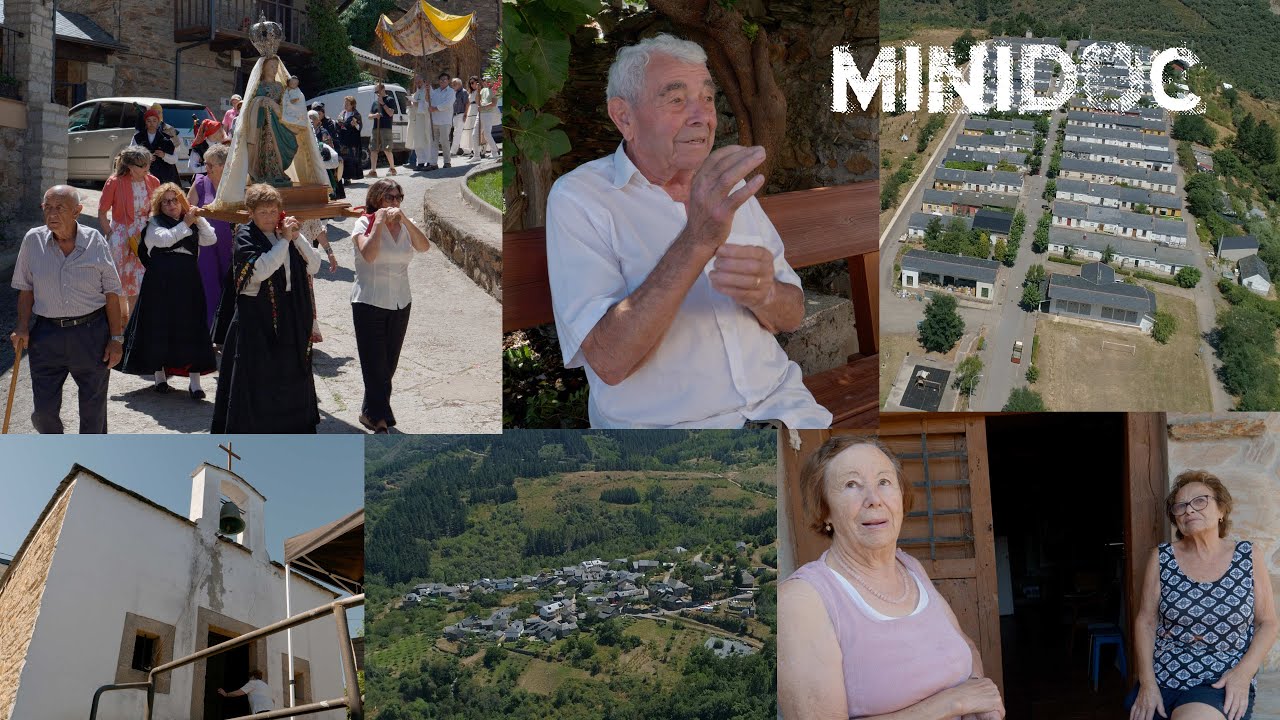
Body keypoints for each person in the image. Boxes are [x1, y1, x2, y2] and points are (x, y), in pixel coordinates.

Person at [544, 34, 831, 428]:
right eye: (677, 100)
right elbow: (610, 361)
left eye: (708, 99)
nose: (702, 116)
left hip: (783, 408)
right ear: (624, 117)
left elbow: (792, 313)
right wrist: (697, 240)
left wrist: (765, 293)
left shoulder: (728, 185)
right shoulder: (581, 199)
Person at [778, 436, 1006, 720]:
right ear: (824, 510)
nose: (874, 499)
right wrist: (952, 704)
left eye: (884, 482)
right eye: (851, 485)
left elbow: (964, 646)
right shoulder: (802, 600)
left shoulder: (910, 568)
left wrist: (979, 698)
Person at [1129, 471, 1278, 720]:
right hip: (1165, 677)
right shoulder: (1162, 557)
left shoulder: (1247, 555)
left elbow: (1268, 623)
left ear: (1221, 510)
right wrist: (1147, 683)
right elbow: (1146, 621)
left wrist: (1244, 674)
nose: (1189, 510)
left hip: (1220, 679)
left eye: (1200, 501)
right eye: (1180, 506)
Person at [10, 186, 125, 434]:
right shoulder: (33, 240)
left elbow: (111, 293)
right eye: (47, 208)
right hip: (47, 335)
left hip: (91, 334)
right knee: (43, 413)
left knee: (93, 412)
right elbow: (26, 289)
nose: (52, 214)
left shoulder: (95, 241)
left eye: (60, 208)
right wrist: (22, 326)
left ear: (77, 211)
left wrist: (116, 339)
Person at [211, 183, 322, 434]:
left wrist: (297, 238)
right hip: (257, 320)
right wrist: (284, 242)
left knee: (291, 375)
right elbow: (261, 270)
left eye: (273, 211)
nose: (270, 217)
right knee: (258, 379)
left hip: (290, 316)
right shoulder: (245, 236)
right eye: (263, 212)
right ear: (251, 213)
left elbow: (314, 265)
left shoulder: (287, 231)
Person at [118, 183, 218, 398]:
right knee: (159, 325)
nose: (172, 205)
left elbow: (211, 238)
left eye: (175, 200)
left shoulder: (190, 221)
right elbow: (164, 240)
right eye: (166, 202)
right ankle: (160, 378)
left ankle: (195, 384)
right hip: (160, 281)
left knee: (192, 326)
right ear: (159, 206)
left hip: (188, 280)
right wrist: (186, 223)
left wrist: (197, 218)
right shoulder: (154, 224)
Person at [350, 179, 431, 433]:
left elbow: (424, 246)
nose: (394, 202)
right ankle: (381, 419)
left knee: (388, 364)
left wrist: (404, 220)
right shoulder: (363, 223)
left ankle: (368, 412)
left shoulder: (406, 225)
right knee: (374, 363)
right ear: (377, 200)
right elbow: (369, 255)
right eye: (389, 197)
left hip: (400, 301)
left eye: (398, 197)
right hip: (369, 302)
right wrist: (378, 223)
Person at [99, 146, 160, 322]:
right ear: (130, 166)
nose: (147, 168)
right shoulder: (114, 182)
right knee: (119, 282)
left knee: (138, 282)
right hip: (120, 236)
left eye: (148, 164)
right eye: (143, 165)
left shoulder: (153, 181)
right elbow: (102, 212)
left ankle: (131, 325)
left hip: (144, 237)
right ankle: (119, 322)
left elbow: (157, 209)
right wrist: (111, 235)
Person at [187, 143, 234, 331]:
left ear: (224, 166)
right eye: (205, 163)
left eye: (210, 164)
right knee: (208, 285)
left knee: (229, 286)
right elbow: (187, 211)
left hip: (230, 245)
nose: (206, 167)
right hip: (206, 246)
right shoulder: (200, 182)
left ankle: (226, 331)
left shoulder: (235, 185)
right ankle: (207, 329)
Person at [133, 107, 181, 186]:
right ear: (145, 122)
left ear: (158, 122)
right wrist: (145, 158)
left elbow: (175, 159)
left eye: (154, 120)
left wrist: (164, 155)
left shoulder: (167, 138)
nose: (151, 123)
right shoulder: (137, 137)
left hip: (165, 178)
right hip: (144, 178)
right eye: (149, 121)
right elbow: (131, 156)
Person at [366, 82, 397, 178]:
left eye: (377, 91)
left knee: (387, 149)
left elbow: (391, 113)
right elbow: (369, 116)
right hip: (375, 128)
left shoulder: (390, 100)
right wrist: (375, 115)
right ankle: (373, 171)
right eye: (375, 92)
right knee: (373, 149)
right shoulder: (375, 103)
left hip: (386, 128)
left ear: (383, 89)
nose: (376, 94)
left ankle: (392, 168)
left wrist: (383, 103)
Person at [408, 76, 435, 170]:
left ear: (423, 81)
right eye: (416, 82)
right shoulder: (416, 93)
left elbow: (430, 104)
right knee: (418, 140)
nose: (417, 84)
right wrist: (411, 105)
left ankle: (429, 161)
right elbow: (413, 106)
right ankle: (420, 162)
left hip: (426, 118)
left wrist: (418, 105)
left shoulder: (429, 90)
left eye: (419, 82)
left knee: (427, 140)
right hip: (417, 120)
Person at [429, 73, 455, 169]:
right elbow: (429, 101)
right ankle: (433, 163)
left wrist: (435, 108)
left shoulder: (451, 92)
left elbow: (447, 104)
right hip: (434, 120)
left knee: (444, 142)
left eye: (445, 79)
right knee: (433, 142)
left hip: (445, 121)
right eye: (441, 79)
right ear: (439, 81)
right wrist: (427, 91)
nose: (443, 81)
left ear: (448, 81)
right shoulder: (435, 92)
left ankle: (447, 162)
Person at [337, 95, 365, 183]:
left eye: (347, 104)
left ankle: (350, 177)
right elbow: (338, 124)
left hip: (353, 141)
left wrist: (355, 124)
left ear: (352, 105)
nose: (345, 105)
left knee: (352, 159)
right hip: (343, 140)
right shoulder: (342, 113)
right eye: (344, 103)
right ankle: (345, 178)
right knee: (344, 159)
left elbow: (359, 128)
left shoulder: (356, 115)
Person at [476, 77, 499, 159]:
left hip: (488, 114)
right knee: (481, 134)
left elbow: (493, 104)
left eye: (487, 81)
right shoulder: (483, 90)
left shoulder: (494, 90)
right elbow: (478, 101)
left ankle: (495, 152)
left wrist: (482, 108)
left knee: (487, 134)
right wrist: (478, 91)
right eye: (484, 81)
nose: (485, 82)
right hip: (482, 114)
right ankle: (491, 151)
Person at [463, 76, 482, 159]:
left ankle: (481, 151)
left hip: (477, 110)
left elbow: (479, 101)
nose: (472, 85)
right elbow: (468, 103)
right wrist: (465, 114)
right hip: (471, 111)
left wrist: (478, 90)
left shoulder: (480, 91)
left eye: (473, 82)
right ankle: (474, 151)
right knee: (471, 132)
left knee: (478, 131)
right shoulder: (470, 92)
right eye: (470, 83)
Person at [449, 77, 468, 157]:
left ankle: (453, 152)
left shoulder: (463, 92)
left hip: (461, 114)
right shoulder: (454, 92)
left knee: (457, 133)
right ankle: (467, 151)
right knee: (458, 133)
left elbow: (467, 103)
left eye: (455, 84)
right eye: (452, 84)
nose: (453, 85)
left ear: (459, 84)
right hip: (455, 115)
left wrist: (465, 114)